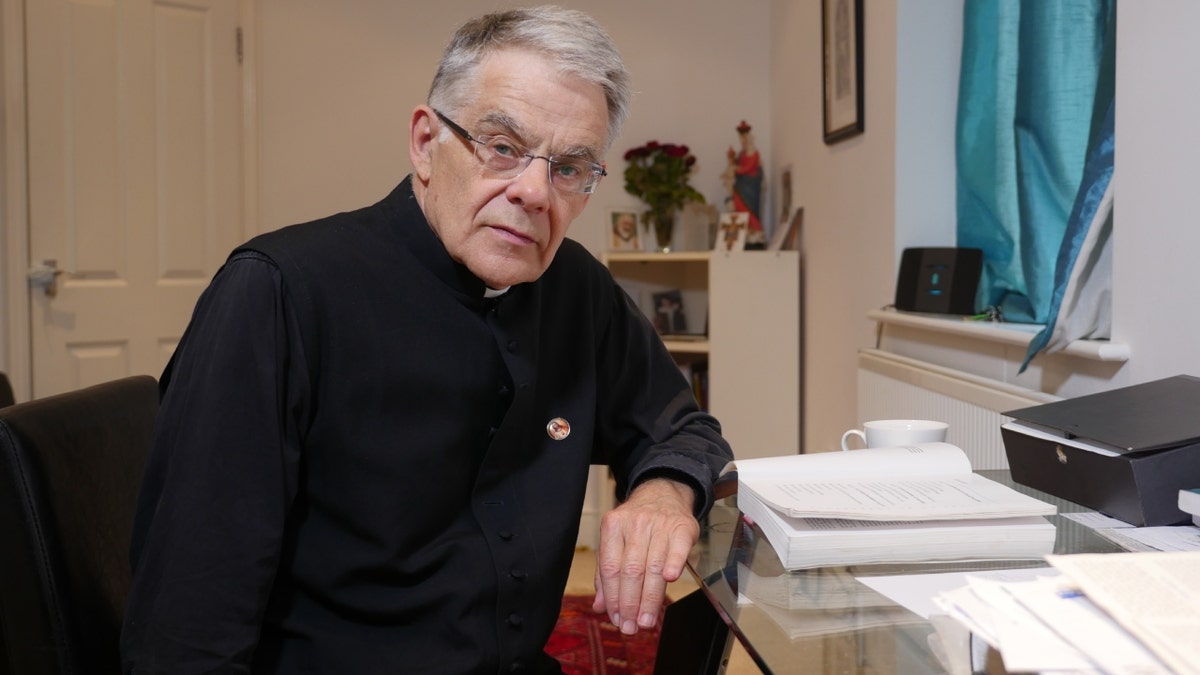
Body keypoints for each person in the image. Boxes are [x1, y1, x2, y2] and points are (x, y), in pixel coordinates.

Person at [120, 6, 734, 674]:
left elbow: (687, 430)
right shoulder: (279, 292)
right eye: (502, 146)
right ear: (424, 142)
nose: (533, 191)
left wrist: (664, 491)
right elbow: (186, 630)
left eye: (569, 168)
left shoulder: (575, 289)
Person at [723, 120, 764, 247]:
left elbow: (749, 168)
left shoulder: (754, 153)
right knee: (736, 205)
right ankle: (744, 232)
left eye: (745, 139)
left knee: (749, 210)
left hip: (750, 188)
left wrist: (737, 169)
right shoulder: (742, 153)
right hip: (741, 187)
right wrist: (731, 158)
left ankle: (754, 232)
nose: (743, 142)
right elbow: (738, 163)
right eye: (741, 139)